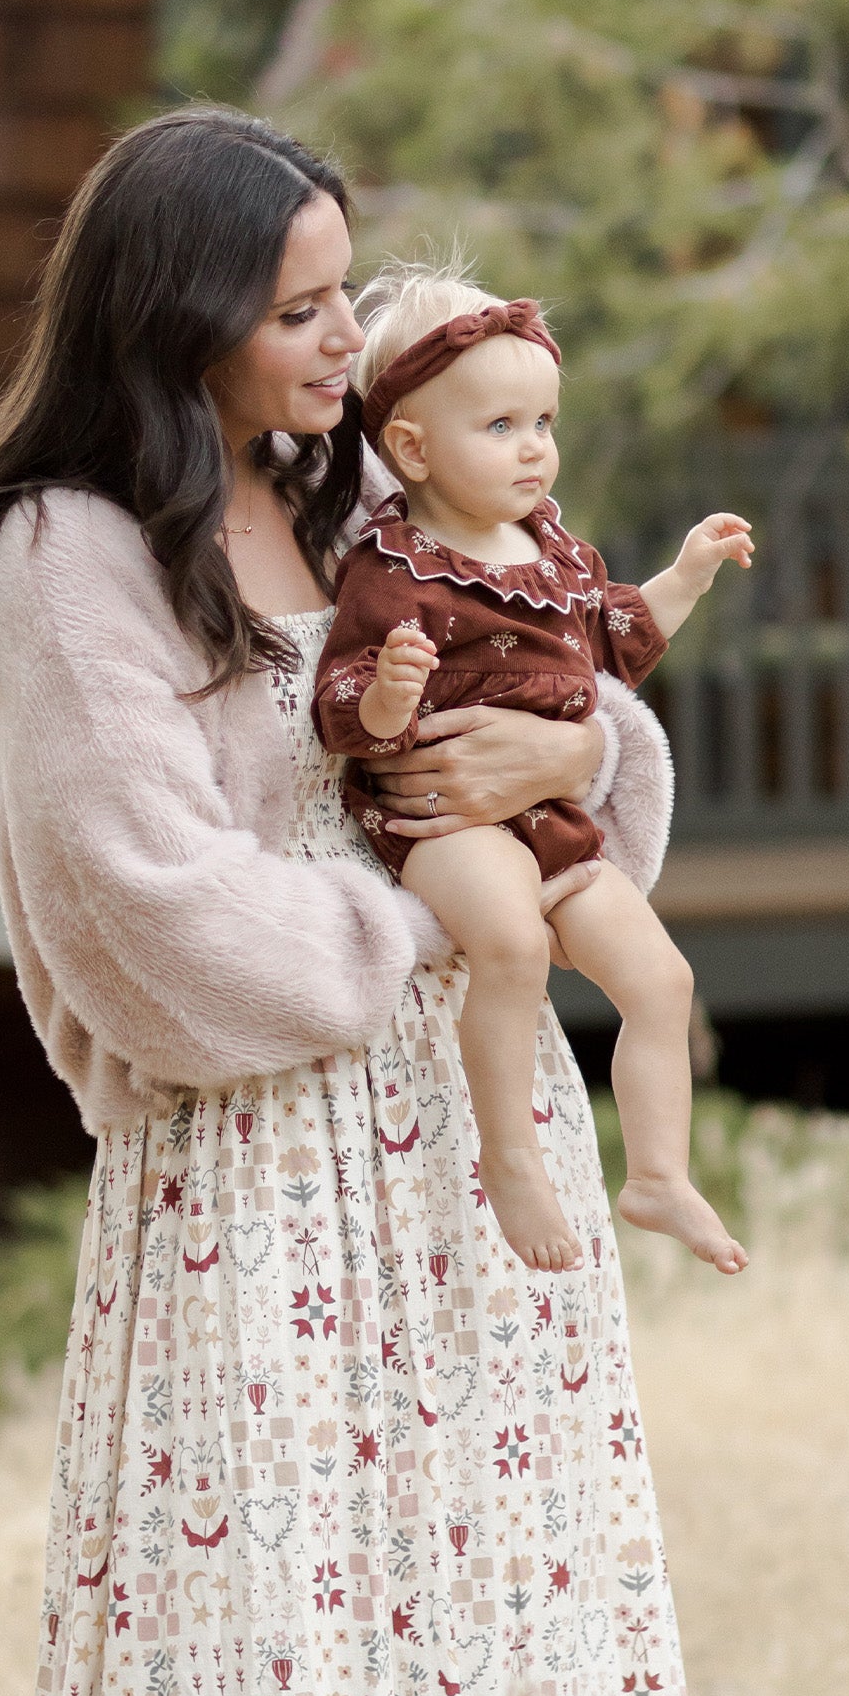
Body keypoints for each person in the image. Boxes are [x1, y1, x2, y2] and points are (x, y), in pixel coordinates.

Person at [0, 105, 756, 1696]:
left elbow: (596, 735)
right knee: (252, 1643)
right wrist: (418, 921)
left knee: (493, 1613)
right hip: (256, 1181)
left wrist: (558, 762)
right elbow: (156, 907)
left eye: (336, 297)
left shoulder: (368, 490)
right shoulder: (74, 553)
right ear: (179, 315)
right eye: (295, 309)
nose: (334, 339)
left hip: (474, 1163)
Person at [315, 262, 751, 1276]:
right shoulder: (391, 567)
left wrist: (682, 575)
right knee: (507, 943)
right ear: (412, 448)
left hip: (550, 813)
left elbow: (610, 647)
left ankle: (655, 1174)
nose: (534, 450)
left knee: (660, 977)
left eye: (543, 423)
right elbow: (337, 706)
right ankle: (507, 1156)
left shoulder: (549, 547)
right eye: (501, 427)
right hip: (449, 823)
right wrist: (386, 692)